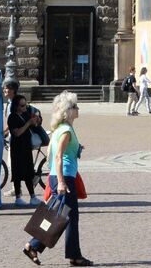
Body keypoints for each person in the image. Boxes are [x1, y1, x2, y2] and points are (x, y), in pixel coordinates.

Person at [24, 90, 93, 266]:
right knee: (67, 216)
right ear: (68, 111)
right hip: (65, 178)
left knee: (58, 215)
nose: (78, 108)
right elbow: (58, 156)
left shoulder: (60, 129)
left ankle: (34, 246)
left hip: (59, 176)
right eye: (75, 106)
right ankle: (73, 256)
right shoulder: (66, 131)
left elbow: (51, 153)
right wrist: (61, 181)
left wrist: (77, 149)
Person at [7, 94, 39, 205]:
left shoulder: (25, 115)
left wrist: (35, 120)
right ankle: (18, 197)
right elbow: (16, 132)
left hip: (26, 147)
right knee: (17, 172)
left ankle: (33, 196)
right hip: (17, 148)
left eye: (25, 105)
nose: (25, 107)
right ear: (16, 106)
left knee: (29, 172)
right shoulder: (12, 117)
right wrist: (28, 123)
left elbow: (34, 125)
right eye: (22, 105)